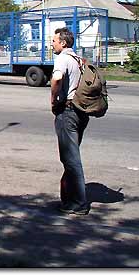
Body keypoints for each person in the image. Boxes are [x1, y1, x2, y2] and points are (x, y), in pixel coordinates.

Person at [50, 27, 90, 215]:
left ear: (63, 43)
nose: (52, 44)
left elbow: (57, 79)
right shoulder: (79, 60)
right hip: (82, 112)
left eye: (54, 41)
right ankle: (68, 198)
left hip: (68, 111)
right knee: (70, 156)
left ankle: (79, 203)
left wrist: (53, 100)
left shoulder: (63, 58)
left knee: (71, 158)